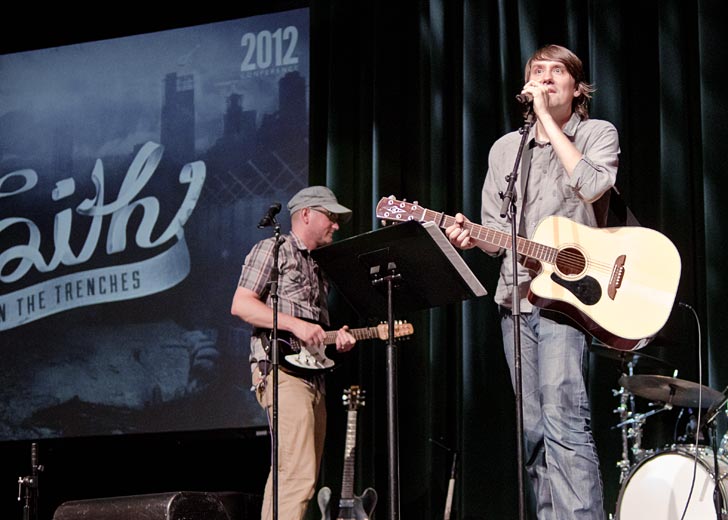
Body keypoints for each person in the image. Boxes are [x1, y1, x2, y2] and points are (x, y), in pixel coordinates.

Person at [446, 44, 619, 519]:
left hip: (569, 298)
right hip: (515, 297)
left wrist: (548, 122)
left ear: (577, 87)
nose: (544, 79)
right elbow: (497, 235)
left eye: (556, 72)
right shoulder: (506, 148)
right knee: (532, 429)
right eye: (536, 72)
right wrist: (471, 238)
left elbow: (592, 185)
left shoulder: (596, 132)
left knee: (564, 418)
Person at [231, 186, 357, 520]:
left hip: (312, 377)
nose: (336, 225)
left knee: (295, 475)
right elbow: (241, 304)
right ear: (306, 214)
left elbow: (309, 333)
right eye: (330, 217)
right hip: (282, 374)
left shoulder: (319, 268)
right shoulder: (274, 249)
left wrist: (333, 338)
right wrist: (295, 325)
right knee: (297, 476)